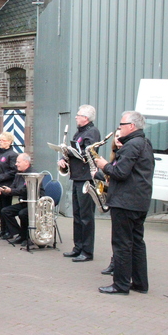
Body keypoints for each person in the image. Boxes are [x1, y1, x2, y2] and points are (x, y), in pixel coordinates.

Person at [95, 111, 154, 295]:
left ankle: (120, 285)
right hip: (139, 201)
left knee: (122, 244)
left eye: (121, 124)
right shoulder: (145, 143)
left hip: (125, 202)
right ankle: (140, 283)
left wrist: (104, 165)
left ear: (131, 126)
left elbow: (120, 172)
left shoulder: (131, 145)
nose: (119, 127)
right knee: (137, 243)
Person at [60, 105, 101, 263]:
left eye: (78, 115)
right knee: (77, 216)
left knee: (86, 217)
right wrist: (65, 158)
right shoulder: (79, 132)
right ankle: (78, 247)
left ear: (86, 118)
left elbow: (88, 153)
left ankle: (87, 250)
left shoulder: (92, 132)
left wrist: (70, 152)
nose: (76, 117)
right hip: (76, 176)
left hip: (86, 178)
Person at [0, 153, 39, 247]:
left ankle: (29, 237)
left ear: (26, 162)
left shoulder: (32, 174)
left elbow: (24, 190)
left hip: (34, 203)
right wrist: (2, 191)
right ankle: (21, 234)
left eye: (18, 162)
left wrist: (10, 190)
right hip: (24, 202)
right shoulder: (18, 174)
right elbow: (13, 187)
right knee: (5, 211)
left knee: (23, 213)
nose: (16, 164)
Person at [98, 128, 122, 276]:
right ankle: (114, 263)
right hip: (114, 197)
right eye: (116, 136)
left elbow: (118, 175)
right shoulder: (115, 155)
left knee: (121, 238)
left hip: (121, 200)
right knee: (116, 236)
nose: (118, 139)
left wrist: (105, 167)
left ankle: (118, 265)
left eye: (120, 136)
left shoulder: (125, 154)